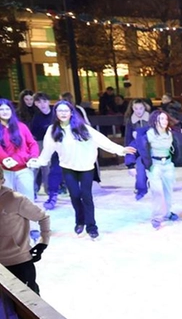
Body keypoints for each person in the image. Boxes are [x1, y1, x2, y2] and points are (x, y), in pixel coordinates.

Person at [29, 101, 134, 241]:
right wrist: (39, 162)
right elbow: (47, 150)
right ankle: (80, 221)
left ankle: (92, 227)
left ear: (71, 112)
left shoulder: (83, 128)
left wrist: (121, 150)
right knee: (75, 196)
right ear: (56, 114)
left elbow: (102, 141)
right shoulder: (52, 130)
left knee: (87, 197)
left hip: (86, 168)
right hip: (68, 167)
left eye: (66, 111)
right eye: (60, 111)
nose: (63, 113)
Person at [0, 175, 52, 319]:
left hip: (19, 262)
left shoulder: (15, 199)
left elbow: (43, 216)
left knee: (27, 305)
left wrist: (43, 242)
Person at [130, 109, 182, 229]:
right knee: (158, 192)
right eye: (161, 119)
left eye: (166, 118)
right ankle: (157, 217)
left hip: (167, 165)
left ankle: (167, 213)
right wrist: (130, 164)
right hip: (154, 166)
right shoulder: (148, 134)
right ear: (155, 120)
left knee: (168, 191)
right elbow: (136, 147)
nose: (165, 121)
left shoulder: (171, 133)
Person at [0, 99, 41, 227]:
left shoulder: (21, 126)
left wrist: (34, 157)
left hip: (24, 169)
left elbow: (32, 143)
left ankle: (32, 229)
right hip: (5, 171)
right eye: (1, 109)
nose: (5, 112)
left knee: (27, 200)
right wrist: (4, 158)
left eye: (7, 109)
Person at [28, 95, 60, 210]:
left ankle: (50, 191)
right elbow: (33, 133)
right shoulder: (36, 117)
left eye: (44, 101)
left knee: (50, 168)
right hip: (40, 142)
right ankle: (33, 190)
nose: (42, 104)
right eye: (39, 102)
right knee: (38, 167)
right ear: (36, 103)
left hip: (56, 142)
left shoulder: (55, 113)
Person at [125, 99, 152, 200]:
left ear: (144, 108)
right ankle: (141, 190)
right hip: (139, 150)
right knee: (140, 170)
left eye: (140, 108)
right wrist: (129, 163)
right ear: (132, 108)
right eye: (136, 108)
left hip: (152, 151)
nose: (138, 111)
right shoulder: (130, 121)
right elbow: (128, 139)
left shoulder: (151, 119)